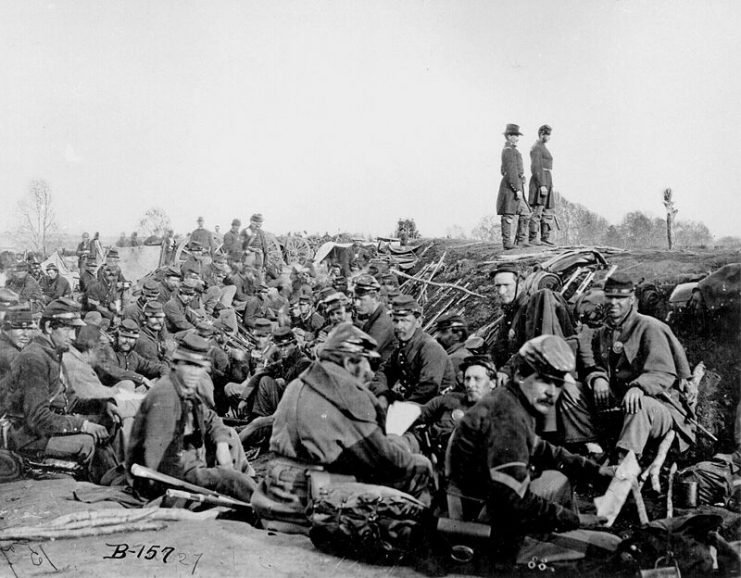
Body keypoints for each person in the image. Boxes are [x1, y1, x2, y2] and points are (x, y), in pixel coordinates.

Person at [448, 335, 614, 562]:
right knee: (611, 548)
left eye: (557, 383)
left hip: (489, 507)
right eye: (544, 381)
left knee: (558, 477)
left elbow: (543, 449)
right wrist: (572, 520)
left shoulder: (509, 402)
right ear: (520, 376)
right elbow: (515, 501)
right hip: (487, 530)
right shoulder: (506, 418)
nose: (552, 392)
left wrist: (594, 471)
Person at [269, 323, 432, 504]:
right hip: (315, 502)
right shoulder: (346, 395)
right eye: (367, 362)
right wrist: (400, 439)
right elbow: (391, 461)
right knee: (419, 465)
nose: (370, 373)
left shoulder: (298, 384)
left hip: (275, 489)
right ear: (348, 362)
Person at [557, 273, 695, 461]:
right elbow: (594, 365)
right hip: (618, 406)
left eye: (620, 298)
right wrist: (597, 378)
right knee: (570, 389)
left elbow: (663, 372)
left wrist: (639, 387)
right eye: (609, 297)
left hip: (657, 408)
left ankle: (623, 466)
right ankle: (593, 450)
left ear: (631, 299)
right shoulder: (604, 332)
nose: (614, 303)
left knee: (639, 404)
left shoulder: (649, 327)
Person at [126, 333, 256, 502]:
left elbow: (209, 417)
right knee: (233, 481)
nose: (194, 372)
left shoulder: (183, 387)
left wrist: (221, 443)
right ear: (176, 364)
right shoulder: (165, 395)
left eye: (199, 366)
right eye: (189, 365)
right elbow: (159, 460)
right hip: (160, 478)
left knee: (229, 435)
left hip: (184, 463)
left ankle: (253, 490)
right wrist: (208, 474)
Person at [1, 299, 115, 472]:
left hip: (43, 430)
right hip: (26, 437)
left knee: (107, 423)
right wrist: (84, 425)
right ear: (48, 327)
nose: (72, 336)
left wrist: (102, 406)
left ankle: (114, 482)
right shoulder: (34, 358)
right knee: (88, 442)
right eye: (67, 328)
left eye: (75, 330)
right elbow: (37, 417)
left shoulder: (53, 352)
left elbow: (69, 401)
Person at [404, 354, 497, 461]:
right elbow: (419, 413)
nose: (470, 384)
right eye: (467, 378)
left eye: (477, 379)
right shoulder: (450, 399)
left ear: (492, 383)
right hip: (420, 446)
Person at [371, 295, 455, 406]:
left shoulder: (430, 348)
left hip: (435, 409)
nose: (399, 326)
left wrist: (398, 408)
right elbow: (384, 372)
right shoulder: (403, 347)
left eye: (404, 320)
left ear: (418, 322)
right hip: (414, 404)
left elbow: (428, 390)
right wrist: (383, 395)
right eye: (395, 321)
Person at [496, 123, 531, 250]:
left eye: (517, 136)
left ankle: (521, 240)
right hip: (510, 188)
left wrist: (522, 178)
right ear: (509, 136)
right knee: (508, 214)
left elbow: (506, 170)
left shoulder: (513, 151)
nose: (517, 138)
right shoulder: (508, 151)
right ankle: (507, 243)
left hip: (516, 184)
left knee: (526, 212)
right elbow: (509, 171)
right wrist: (517, 189)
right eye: (515, 136)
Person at [352, 274, 396, 362]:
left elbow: (363, 354)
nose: (356, 304)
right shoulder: (375, 315)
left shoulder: (382, 322)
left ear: (374, 297)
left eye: (361, 299)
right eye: (355, 299)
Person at [528, 124, 557, 246]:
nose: (549, 137)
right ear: (541, 134)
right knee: (538, 210)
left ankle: (545, 237)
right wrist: (542, 185)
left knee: (547, 210)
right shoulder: (536, 148)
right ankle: (533, 238)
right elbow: (536, 167)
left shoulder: (543, 147)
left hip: (547, 179)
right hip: (540, 181)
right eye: (547, 135)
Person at [0, 308, 35, 380]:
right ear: (5, 329)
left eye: (29, 328)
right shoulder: (11, 355)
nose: (26, 334)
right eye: (19, 328)